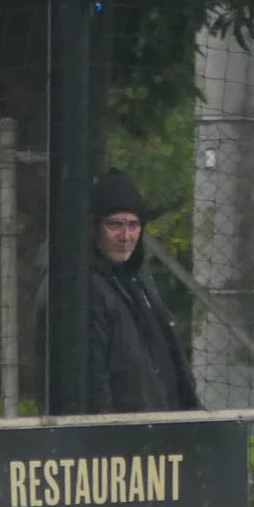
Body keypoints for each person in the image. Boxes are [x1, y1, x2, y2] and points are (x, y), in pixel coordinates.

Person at [71, 168, 202, 413]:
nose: (125, 236)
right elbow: (93, 382)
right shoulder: (84, 289)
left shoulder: (138, 279)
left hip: (163, 422)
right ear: (94, 227)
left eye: (133, 225)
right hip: (123, 430)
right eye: (114, 225)